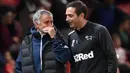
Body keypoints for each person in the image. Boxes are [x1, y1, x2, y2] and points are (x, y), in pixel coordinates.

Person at [65, 1, 117, 73]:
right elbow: (73, 65)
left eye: (70, 16)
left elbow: (111, 57)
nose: (67, 19)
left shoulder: (99, 30)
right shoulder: (71, 36)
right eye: (66, 15)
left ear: (81, 16)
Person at [15, 9, 71, 73]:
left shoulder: (58, 37)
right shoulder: (26, 41)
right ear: (36, 24)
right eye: (46, 22)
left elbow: (65, 58)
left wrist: (54, 38)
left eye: (51, 22)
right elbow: (19, 66)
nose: (50, 25)